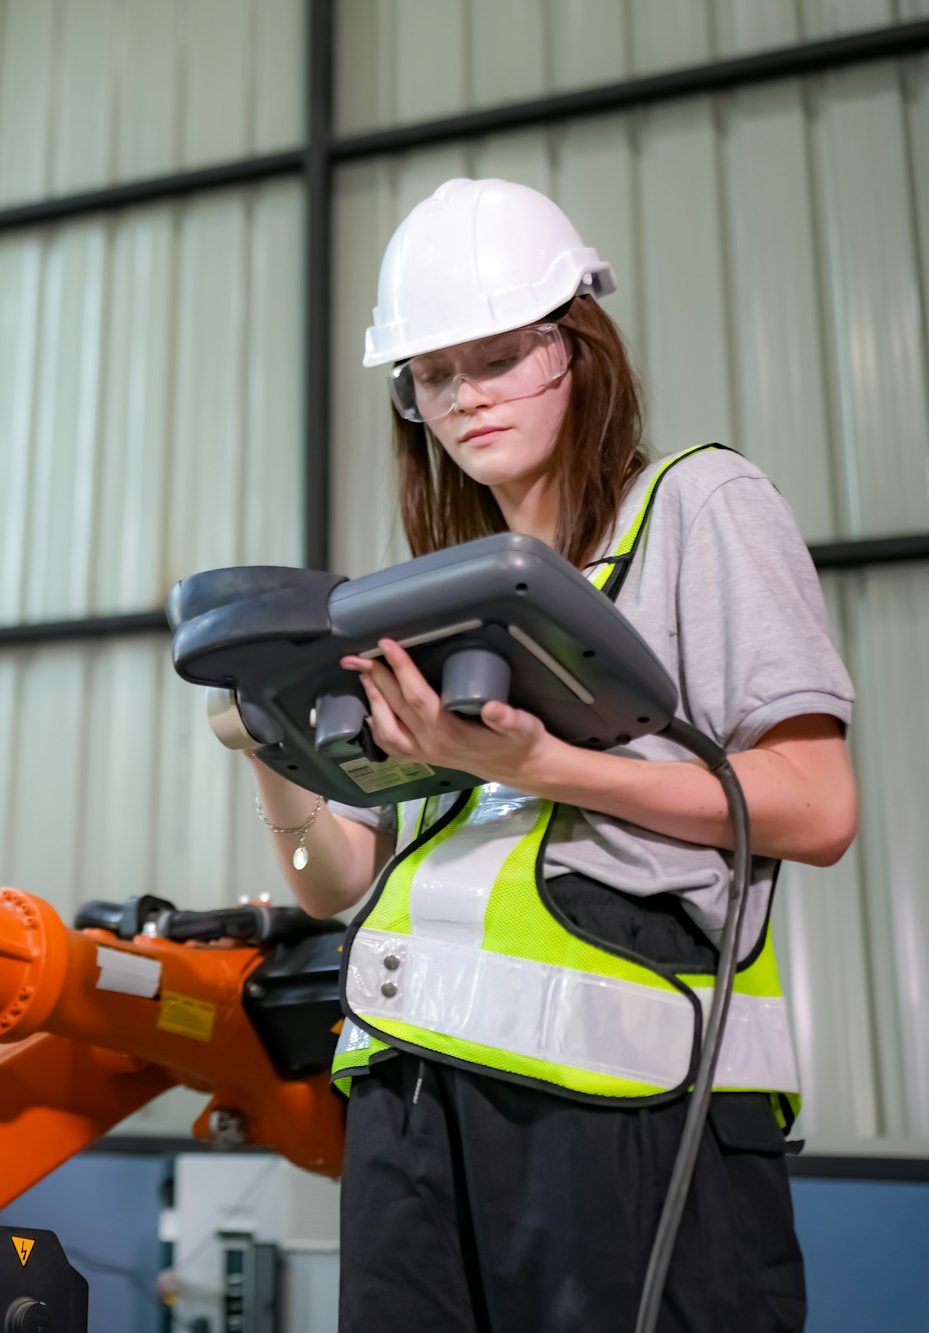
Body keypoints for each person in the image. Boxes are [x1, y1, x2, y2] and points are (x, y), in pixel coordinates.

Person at [246, 178, 857, 1332]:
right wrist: (264, 739)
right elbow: (338, 884)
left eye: (497, 356)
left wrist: (547, 770)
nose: (465, 397)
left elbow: (816, 806)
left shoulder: (694, 507)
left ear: (576, 347)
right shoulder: (429, 600)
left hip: (623, 1111)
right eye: (433, 376)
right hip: (410, 1106)